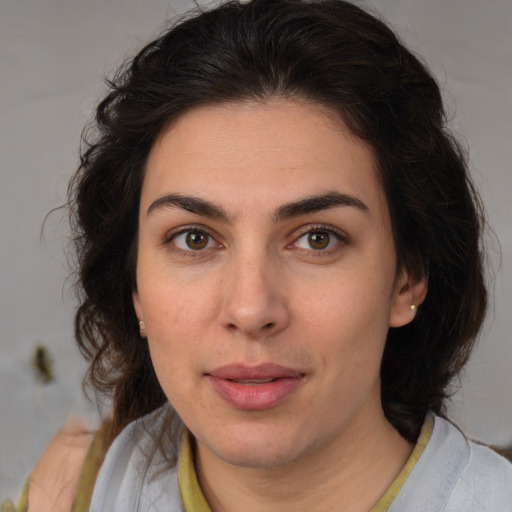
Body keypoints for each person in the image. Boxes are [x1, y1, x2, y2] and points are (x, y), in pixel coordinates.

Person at [5, 0, 512, 510]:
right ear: (135, 288)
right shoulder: (65, 495)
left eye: (318, 238)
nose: (250, 310)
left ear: (407, 279)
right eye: (194, 239)